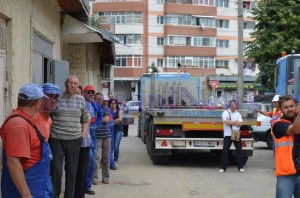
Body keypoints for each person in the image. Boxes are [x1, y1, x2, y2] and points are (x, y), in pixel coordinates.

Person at [0, 84, 49, 197]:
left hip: (36, 186)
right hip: (25, 191)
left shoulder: (27, 120)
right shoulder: (18, 125)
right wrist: (26, 195)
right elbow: (13, 162)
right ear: (37, 103)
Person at [49, 75, 90, 198]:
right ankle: (54, 195)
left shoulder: (81, 100)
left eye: (75, 84)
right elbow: (47, 117)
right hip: (56, 139)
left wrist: (82, 136)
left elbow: (86, 119)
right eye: (70, 82)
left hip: (74, 140)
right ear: (65, 83)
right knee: (56, 171)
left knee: (71, 172)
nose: (72, 85)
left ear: (78, 86)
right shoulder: (55, 99)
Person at [34, 83, 62, 197]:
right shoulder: (34, 117)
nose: (53, 100)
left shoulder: (49, 120)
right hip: (34, 167)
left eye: (56, 97)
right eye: (50, 96)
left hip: (44, 166)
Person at [272, 95, 300, 197]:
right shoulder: (278, 124)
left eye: (292, 106)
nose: (290, 109)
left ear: (296, 106)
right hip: (286, 173)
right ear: (280, 109)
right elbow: (294, 130)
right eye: (286, 107)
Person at [74, 85, 99, 197]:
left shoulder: (90, 104)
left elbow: (97, 116)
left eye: (92, 92)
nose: (90, 94)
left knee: (91, 161)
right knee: (83, 163)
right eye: (88, 92)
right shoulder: (73, 106)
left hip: (90, 137)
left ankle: (86, 186)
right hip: (78, 138)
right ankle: (78, 187)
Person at [219, 100, 244, 173]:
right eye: (235, 105)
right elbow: (227, 122)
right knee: (225, 151)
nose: (236, 106)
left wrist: (232, 122)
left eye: (236, 105)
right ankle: (223, 168)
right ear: (231, 105)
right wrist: (236, 122)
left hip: (236, 133)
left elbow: (241, 123)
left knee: (239, 150)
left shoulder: (238, 113)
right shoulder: (225, 113)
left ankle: (240, 167)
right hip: (228, 134)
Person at [92, 94, 111, 184]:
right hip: (97, 136)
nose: (99, 100)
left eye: (100, 99)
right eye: (97, 99)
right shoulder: (92, 108)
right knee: (96, 158)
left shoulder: (106, 108)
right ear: (94, 99)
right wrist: (99, 118)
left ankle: (105, 178)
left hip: (107, 136)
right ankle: (94, 178)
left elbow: (106, 119)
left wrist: (95, 119)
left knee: (106, 158)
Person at [109, 99, 123, 167]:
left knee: (116, 146)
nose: (113, 104)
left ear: (116, 104)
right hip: (110, 130)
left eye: (114, 103)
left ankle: (116, 159)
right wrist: (114, 121)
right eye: (111, 103)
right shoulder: (108, 111)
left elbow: (120, 119)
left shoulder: (119, 111)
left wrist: (111, 121)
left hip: (118, 130)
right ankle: (110, 160)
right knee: (110, 146)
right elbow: (107, 119)